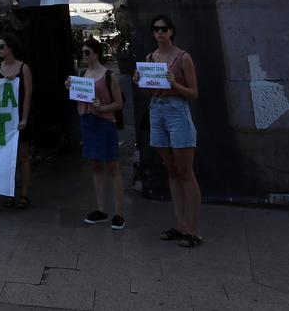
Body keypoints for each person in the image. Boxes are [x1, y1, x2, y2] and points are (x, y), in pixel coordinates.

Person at [138, 16, 201, 248]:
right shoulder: (150, 58)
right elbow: (149, 92)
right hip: (157, 111)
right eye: (156, 29)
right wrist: (141, 82)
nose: (160, 33)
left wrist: (175, 84)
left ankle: (194, 229)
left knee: (185, 171)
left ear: (171, 31)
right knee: (172, 170)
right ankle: (181, 224)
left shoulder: (183, 58)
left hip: (176, 111)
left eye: (164, 29)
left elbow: (193, 94)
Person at [71, 37, 126, 230]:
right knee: (95, 165)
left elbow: (119, 103)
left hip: (104, 122)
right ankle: (102, 208)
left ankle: (119, 212)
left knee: (112, 165)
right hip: (88, 121)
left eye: (87, 52)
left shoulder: (108, 75)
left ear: (96, 53)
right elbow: (80, 98)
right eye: (83, 52)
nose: (84, 55)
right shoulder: (83, 74)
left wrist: (102, 108)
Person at [0, 33, 33, 209]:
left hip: (18, 119)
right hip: (3, 120)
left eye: (2, 46)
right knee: (7, 157)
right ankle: (9, 192)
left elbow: (27, 95)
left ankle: (23, 194)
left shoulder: (24, 68)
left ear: (11, 48)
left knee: (23, 156)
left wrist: (24, 118)